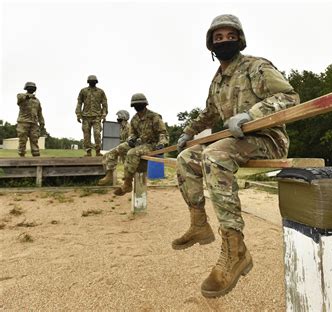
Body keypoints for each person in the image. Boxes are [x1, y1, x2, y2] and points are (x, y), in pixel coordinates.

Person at [173, 14, 300, 298]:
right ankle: (199, 225)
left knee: (215, 154)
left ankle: (235, 250)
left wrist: (251, 114)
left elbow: (290, 97)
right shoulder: (218, 81)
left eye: (230, 36)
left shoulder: (257, 67)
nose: (224, 41)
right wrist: (187, 132)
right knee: (187, 158)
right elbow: (209, 113)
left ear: (239, 39)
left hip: (268, 139)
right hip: (235, 142)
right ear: (211, 45)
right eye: (218, 38)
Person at [98, 93, 169, 195]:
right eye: (135, 105)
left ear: (145, 104)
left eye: (139, 105)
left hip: (152, 145)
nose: (137, 107)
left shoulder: (154, 117)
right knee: (117, 149)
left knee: (132, 153)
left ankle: (127, 183)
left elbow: (163, 133)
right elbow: (133, 133)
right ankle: (109, 174)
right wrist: (131, 139)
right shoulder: (134, 119)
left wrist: (162, 143)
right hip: (140, 143)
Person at [76, 75, 108, 157]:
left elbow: (104, 104)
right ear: (88, 82)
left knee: (97, 134)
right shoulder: (83, 91)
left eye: (94, 81)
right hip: (85, 117)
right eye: (91, 81)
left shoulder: (100, 92)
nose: (92, 82)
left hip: (97, 117)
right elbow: (79, 103)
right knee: (86, 135)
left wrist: (104, 115)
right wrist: (78, 114)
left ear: (96, 82)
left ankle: (98, 151)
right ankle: (88, 152)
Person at [16, 82, 45, 157]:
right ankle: (21, 157)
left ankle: (36, 157)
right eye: (29, 87)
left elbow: (39, 113)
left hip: (34, 123)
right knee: (22, 140)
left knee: (34, 140)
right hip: (23, 122)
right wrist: (28, 96)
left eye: (33, 88)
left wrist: (42, 122)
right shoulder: (21, 96)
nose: (31, 89)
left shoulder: (37, 101)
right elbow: (19, 99)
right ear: (26, 88)